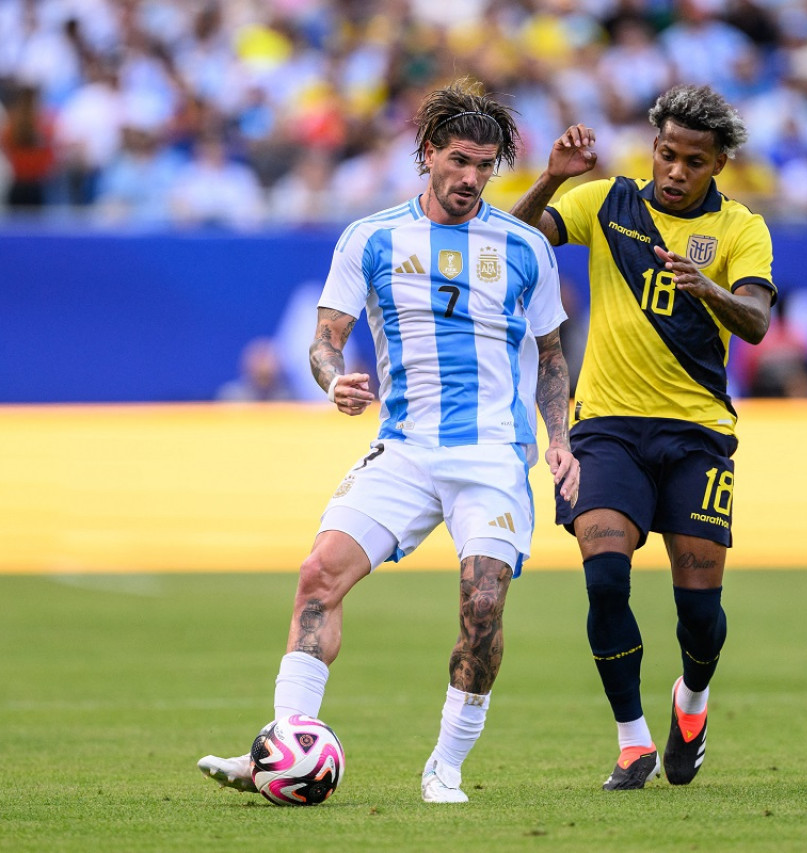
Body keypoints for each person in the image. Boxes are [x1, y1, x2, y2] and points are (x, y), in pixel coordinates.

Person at [197, 78, 580, 804]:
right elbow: (323, 342)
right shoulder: (371, 238)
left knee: (484, 605)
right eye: (460, 160)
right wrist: (333, 378)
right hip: (403, 447)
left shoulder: (527, 247)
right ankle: (286, 744)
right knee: (319, 575)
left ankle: (445, 765)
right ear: (428, 152)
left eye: (486, 166)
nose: (471, 178)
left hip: (492, 454)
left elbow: (553, 358)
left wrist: (559, 439)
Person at [511, 84, 775, 790]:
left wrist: (707, 288)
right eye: (667, 154)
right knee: (604, 577)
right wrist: (550, 180)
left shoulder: (743, 229)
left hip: (697, 432)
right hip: (607, 427)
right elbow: (513, 243)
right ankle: (632, 740)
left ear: (718, 164)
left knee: (699, 612)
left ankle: (691, 700)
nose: (676, 170)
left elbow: (754, 322)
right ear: (653, 147)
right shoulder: (607, 203)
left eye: (694, 160)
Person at [214, 337, 295, 402]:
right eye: (259, 358)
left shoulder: (289, 398)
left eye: (266, 358)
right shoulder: (232, 396)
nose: (263, 365)